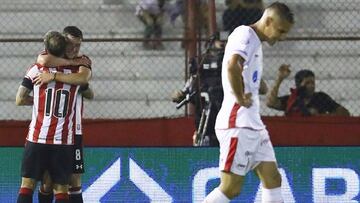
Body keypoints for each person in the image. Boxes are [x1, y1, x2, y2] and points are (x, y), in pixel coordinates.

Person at [203, 2, 294, 202]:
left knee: (272, 179)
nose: (282, 37)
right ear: (268, 20)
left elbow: (242, 69)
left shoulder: (254, 42)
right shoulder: (244, 34)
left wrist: (258, 84)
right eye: (280, 30)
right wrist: (239, 95)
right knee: (230, 188)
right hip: (239, 123)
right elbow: (232, 65)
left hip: (253, 125)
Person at [15, 30, 90, 203]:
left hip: (37, 137)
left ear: (46, 47)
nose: (75, 48)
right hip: (63, 140)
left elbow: (19, 99)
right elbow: (87, 87)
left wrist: (39, 101)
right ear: (65, 45)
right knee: (61, 188)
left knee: (27, 186)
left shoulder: (36, 69)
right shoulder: (76, 73)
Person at [35, 26, 93, 203]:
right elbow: (42, 60)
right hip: (49, 129)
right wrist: (70, 67)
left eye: (78, 45)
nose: (74, 49)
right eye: (71, 44)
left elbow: (83, 81)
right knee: (47, 181)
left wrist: (54, 76)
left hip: (73, 129)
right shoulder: (49, 57)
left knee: (74, 179)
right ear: (62, 41)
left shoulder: (83, 61)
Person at [266, 65, 350, 116]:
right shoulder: (291, 99)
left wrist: (319, 116)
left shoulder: (321, 97)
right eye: (307, 83)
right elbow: (270, 103)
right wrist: (279, 79)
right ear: (299, 85)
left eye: (313, 82)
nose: (311, 86)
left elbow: (345, 113)